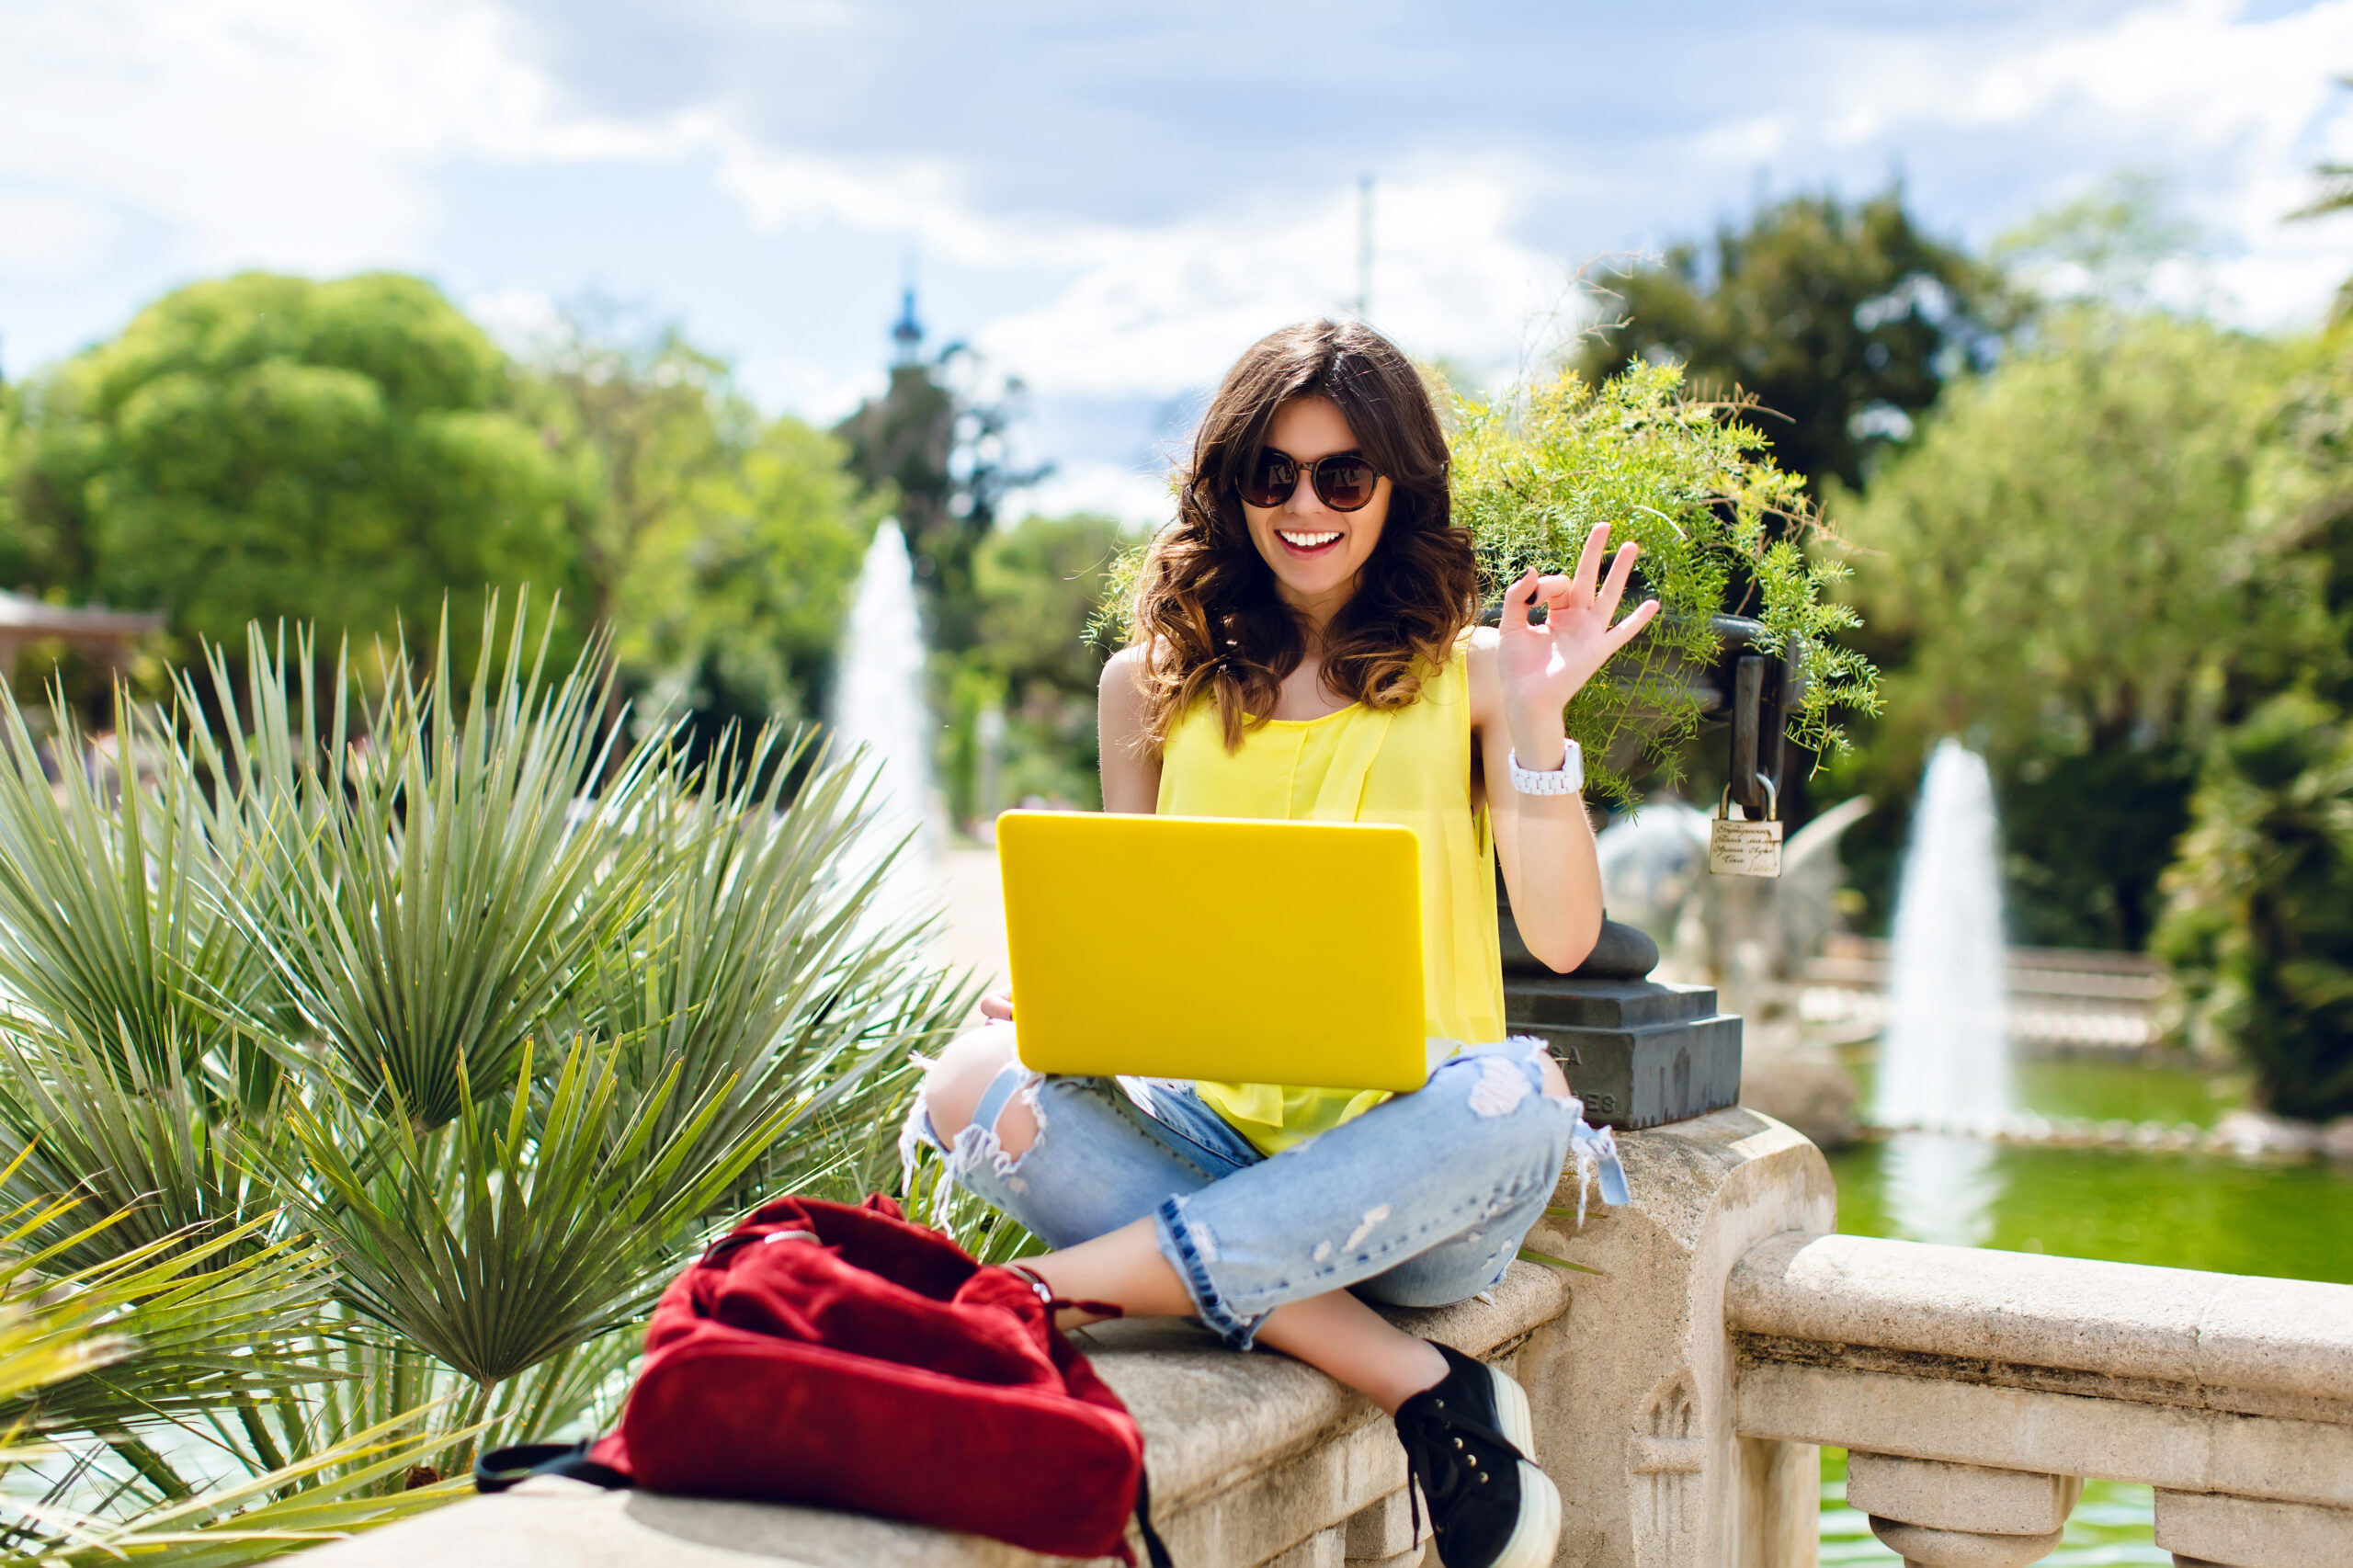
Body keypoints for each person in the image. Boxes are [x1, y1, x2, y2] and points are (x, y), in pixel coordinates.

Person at [910, 319, 1654, 1568]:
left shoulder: (1473, 676)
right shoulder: (1145, 687)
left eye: (1342, 475)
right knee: (962, 1086)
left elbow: (1570, 939)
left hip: (1416, 1185)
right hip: (1217, 1141)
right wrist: (1053, 992)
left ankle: (1057, 1290)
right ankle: (1419, 1381)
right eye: (1274, 473)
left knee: (1523, 1093)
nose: (1305, 505)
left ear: (1396, 489)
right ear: (1231, 485)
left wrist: (1538, 716)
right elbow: (1139, 942)